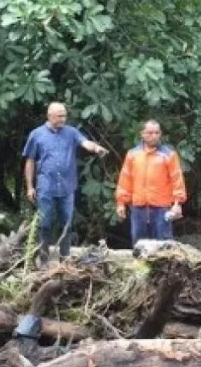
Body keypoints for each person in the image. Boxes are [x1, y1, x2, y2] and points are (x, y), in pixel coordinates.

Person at [22, 102, 108, 267]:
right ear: (50, 116)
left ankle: (65, 261)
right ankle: (44, 261)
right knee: (45, 224)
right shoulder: (37, 134)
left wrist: (96, 148)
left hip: (67, 187)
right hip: (46, 187)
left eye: (64, 115)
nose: (63, 119)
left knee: (66, 225)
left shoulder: (71, 132)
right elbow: (30, 160)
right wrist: (29, 187)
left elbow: (84, 142)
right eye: (59, 116)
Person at [115, 120, 187, 246]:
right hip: (138, 208)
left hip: (161, 208)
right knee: (139, 246)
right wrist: (121, 203)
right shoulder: (132, 155)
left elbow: (177, 179)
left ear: (160, 134)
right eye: (149, 133)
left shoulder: (169, 155)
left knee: (164, 246)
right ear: (142, 134)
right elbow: (125, 180)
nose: (153, 136)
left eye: (156, 133)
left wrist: (177, 203)